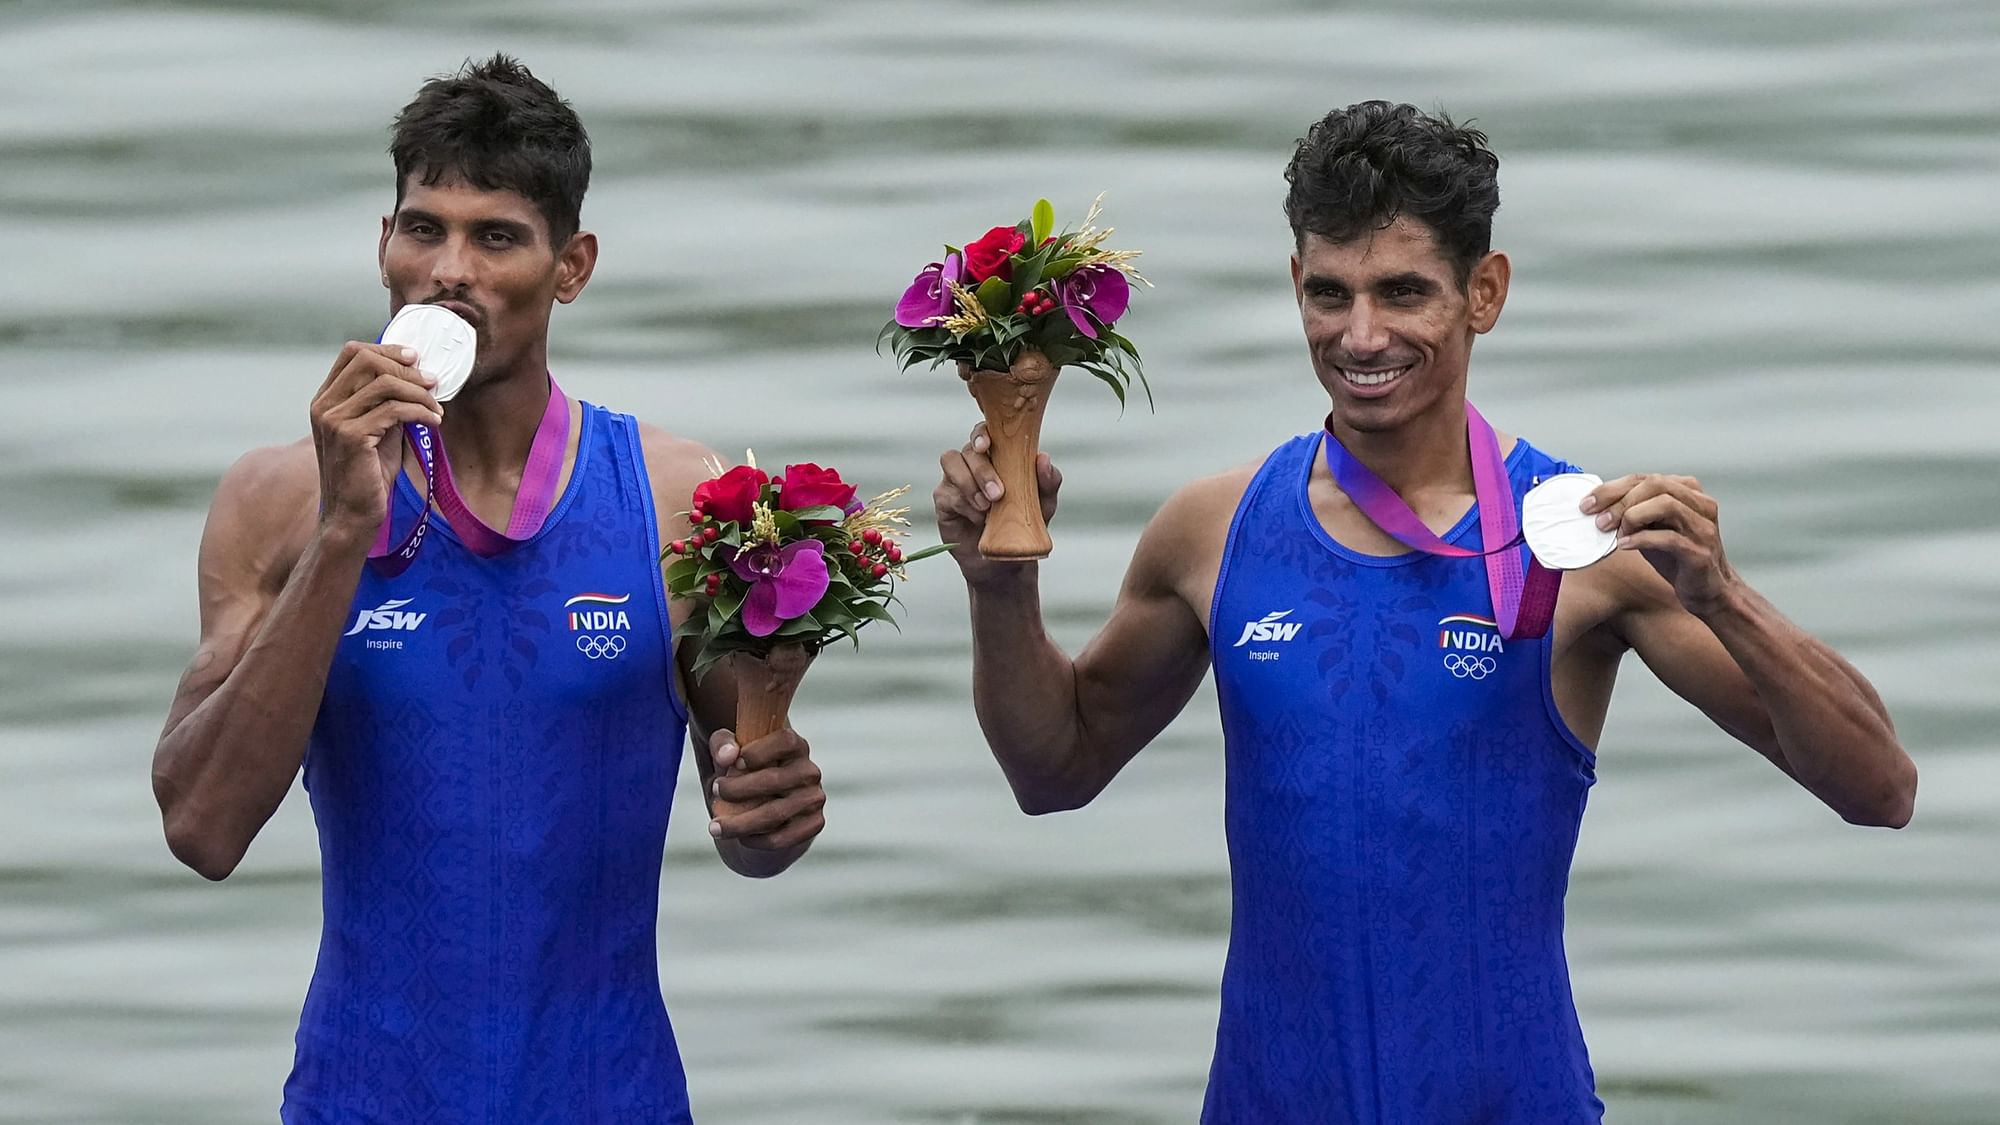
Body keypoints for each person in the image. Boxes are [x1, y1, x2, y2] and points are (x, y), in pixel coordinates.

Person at [932, 100, 1916, 1124]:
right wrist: (998, 585)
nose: (1360, 336)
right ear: (1295, 287)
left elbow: (1877, 789)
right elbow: (1055, 771)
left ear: (1482, 292)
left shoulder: (1583, 544)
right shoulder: (1210, 532)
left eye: (1402, 292)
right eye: (1330, 293)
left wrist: (1724, 599)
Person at [149, 55, 826, 1123]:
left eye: (496, 236)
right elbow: (203, 829)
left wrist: (774, 809)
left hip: (612, 1096)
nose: (446, 271)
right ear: (384, 243)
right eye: (423, 229)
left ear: (571, 267)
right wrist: (343, 534)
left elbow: (751, 824)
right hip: (362, 1097)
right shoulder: (274, 499)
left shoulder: (675, 495)